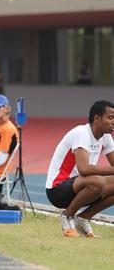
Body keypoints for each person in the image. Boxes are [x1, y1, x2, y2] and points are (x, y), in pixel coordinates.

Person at [45, 100, 114, 238]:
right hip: (57, 190)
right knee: (97, 181)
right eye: (110, 118)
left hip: (82, 188)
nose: (113, 122)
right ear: (97, 118)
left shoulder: (106, 137)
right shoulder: (81, 133)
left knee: (99, 181)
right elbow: (84, 169)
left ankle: (82, 219)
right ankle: (67, 216)